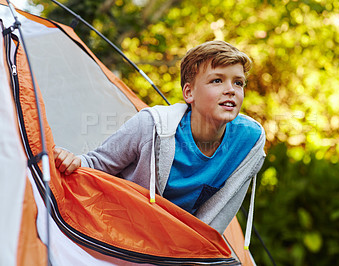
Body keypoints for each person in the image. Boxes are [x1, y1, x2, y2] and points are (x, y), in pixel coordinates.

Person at [54, 40, 266, 241]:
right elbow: (97, 164)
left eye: (238, 83)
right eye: (217, 80)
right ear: (189, 92)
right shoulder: (152, 126)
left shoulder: (248, 141)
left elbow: (220, 210)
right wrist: (72, 161)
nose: (230, 89)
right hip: (121, 231)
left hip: (181, 245)